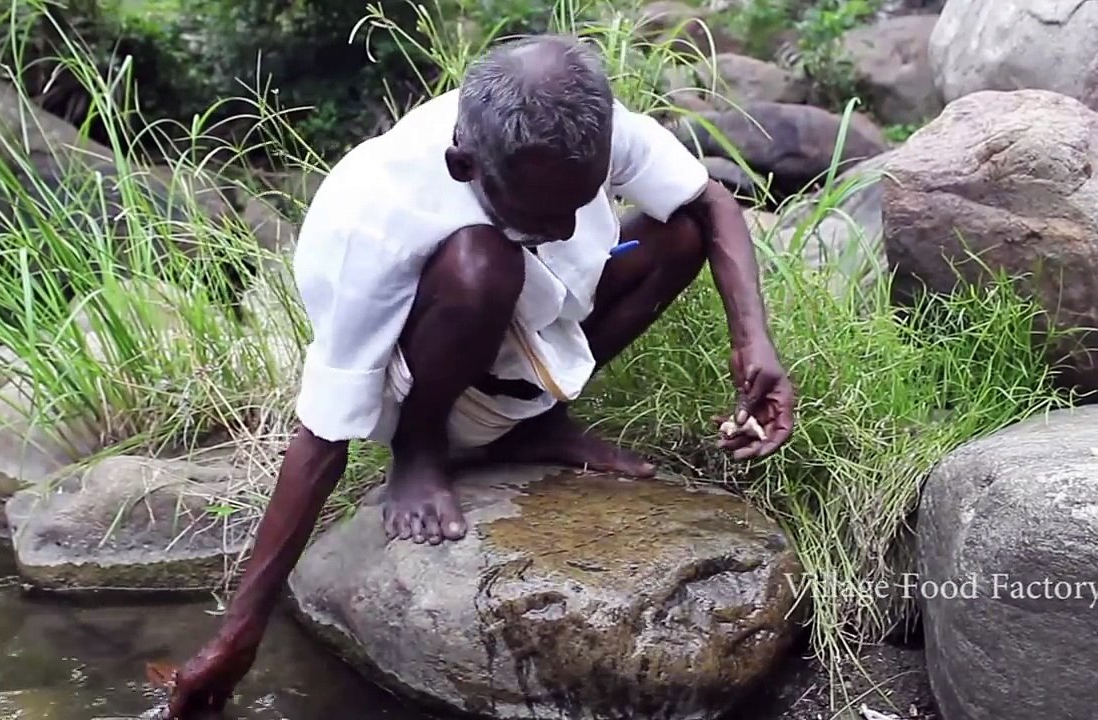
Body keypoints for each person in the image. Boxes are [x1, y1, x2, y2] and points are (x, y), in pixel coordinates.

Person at [163, 32, 795, 718]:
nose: (561, 230)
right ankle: (423, 451)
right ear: (465, 165)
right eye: (540, 215)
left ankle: (533, 425)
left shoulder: (579, 127)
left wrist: (754, 346)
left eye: (578, 205)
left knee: (678, 231)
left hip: (539, 338)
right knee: (483, 261)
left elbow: (712, 203)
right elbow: (319, 438)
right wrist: (236, 634)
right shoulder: (374, 220)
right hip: (430, 380)